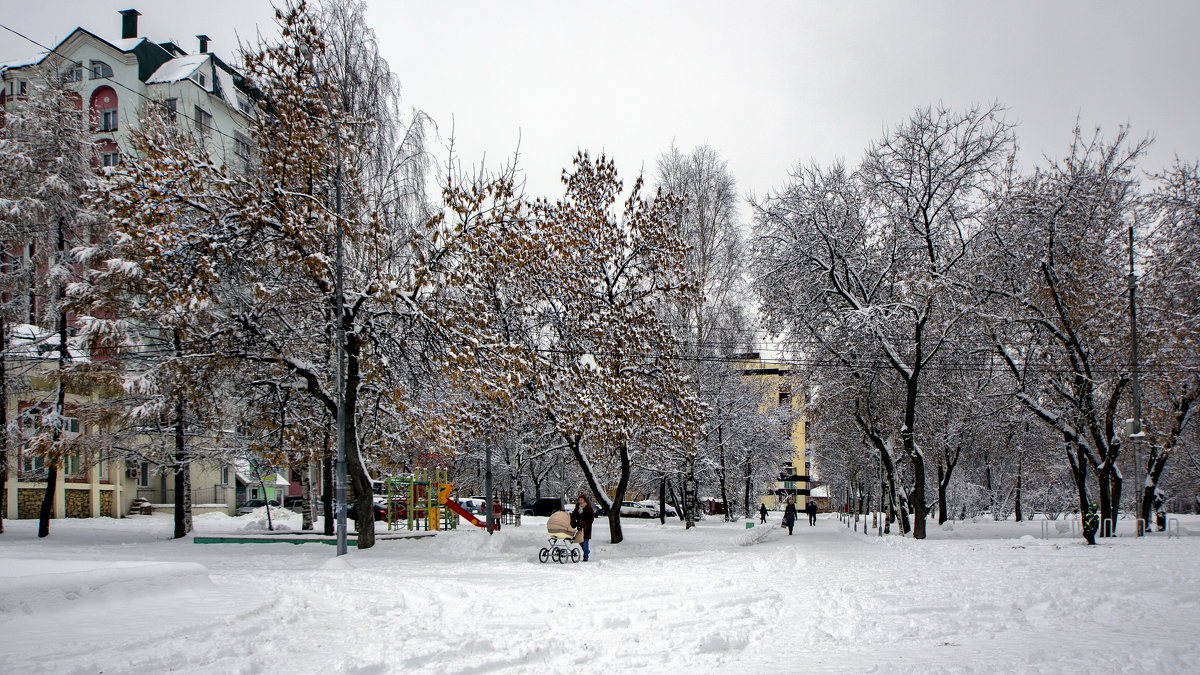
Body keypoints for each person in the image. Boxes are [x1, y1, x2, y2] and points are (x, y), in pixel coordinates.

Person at [571, 493, 596, 561]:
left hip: (586, 528)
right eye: (579, 500)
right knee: (580, 541)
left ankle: (585, 557)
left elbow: (591, 518)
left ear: (584, 500)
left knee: (585, 541)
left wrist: (585, 524)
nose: (580, 501)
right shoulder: (577, 508)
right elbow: (573, 516)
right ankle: (586, 551)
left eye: (581, 500)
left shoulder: (588, 508)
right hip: (579, 527)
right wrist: (573, 522)